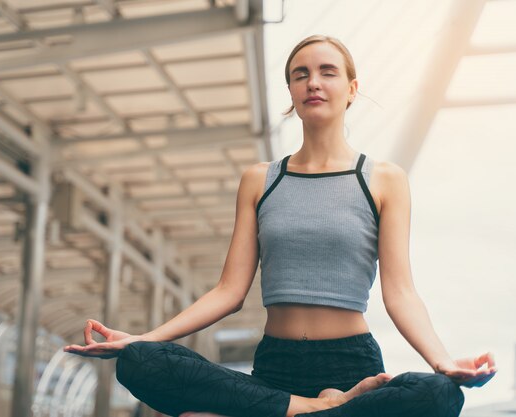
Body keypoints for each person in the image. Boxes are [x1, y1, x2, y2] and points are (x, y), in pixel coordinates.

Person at [64, 35, 497, 417]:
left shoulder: (383, 179)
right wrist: (144, 338)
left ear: (351, 89)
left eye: (328, 72)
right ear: (290, 91)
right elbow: (228, 292)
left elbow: (400, 293)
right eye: (300, 74)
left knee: (440, 395)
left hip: (352, 364)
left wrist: (442, 362)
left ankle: (294, 411)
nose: (313, 82)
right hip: (274, 367)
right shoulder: (261, 179)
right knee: (141, 362)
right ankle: (322, 409)